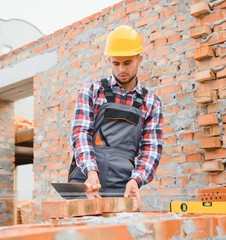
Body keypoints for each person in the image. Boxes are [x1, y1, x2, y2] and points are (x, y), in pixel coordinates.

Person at [68, 25, 163, 207]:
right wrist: (91, 172)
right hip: (86, 181)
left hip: (122, 187)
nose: (121, 70)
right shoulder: (93, 90)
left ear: (139, 59)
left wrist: (136, 180)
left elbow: (151, 149)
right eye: (115, 63)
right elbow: (80, 134)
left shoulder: (151, 102)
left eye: (127, 63)